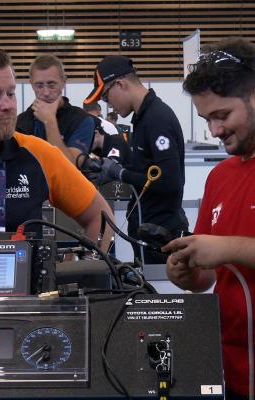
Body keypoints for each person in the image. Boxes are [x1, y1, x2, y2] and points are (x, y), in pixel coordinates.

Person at [0, 46, 114, 256]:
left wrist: (81, 269)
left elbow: (101, 217)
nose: (8, 105)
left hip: (27, 288)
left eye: (11, 93)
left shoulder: (39, 154)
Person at [162, 37, 255, 400]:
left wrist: (228, 247)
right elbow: (211, 276)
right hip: (230, 370)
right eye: (207, 119)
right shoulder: (222, 176)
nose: (215, 131)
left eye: (222, 115)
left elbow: (226, 250)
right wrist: (188, 275)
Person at [84, 55, 188, 264]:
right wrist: (109, 168)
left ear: (120, 84)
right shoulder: (143, 118)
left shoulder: (157, 118)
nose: (109, 105)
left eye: (106, 97)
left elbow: (170, 182)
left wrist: (121, 173)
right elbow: (147, 169)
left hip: (162, 237)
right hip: (148, 233)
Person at [16, 54, 95, 165]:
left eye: (52, 84)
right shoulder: (21, 121)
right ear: (31, 85)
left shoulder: (82, 120)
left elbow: (69, 167)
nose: (46, 92)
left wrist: (50, 121)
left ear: (63, 82)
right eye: (39, 85)